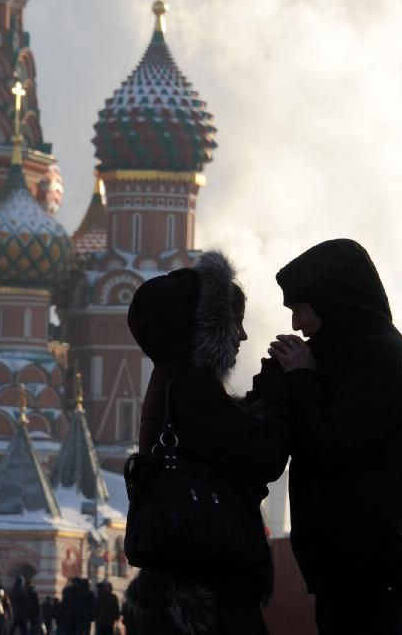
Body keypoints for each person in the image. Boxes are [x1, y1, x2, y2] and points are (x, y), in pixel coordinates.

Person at [127, 251, 291, 634]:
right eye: (235, 323)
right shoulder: (192, 388)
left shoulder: (171, 380)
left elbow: (222, 438)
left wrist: (258, 402)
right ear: (207, 328)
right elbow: (262, 458)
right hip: (206, 594)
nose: (243, 336)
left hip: (180, 587)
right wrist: (282, 394)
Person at [271, 239, 402, 634]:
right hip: (347, 568)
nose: (295, 324)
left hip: (373, 571)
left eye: (299, 308)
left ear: (330, 300)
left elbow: (335, 445)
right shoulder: (339, 355)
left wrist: (303, 379)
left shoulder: (380, 357)